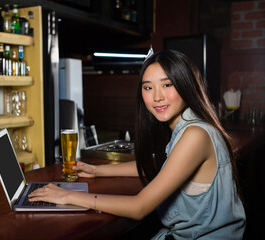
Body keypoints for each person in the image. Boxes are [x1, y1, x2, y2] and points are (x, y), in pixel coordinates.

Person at [29, 49, 246, 239]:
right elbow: (162, 166)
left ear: (185, 85)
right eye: (148, 88)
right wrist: (98, 170)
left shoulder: (196, 135)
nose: (157, 97)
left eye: (167, 84)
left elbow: (139, 207)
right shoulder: (189, 126)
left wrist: (67, 195)